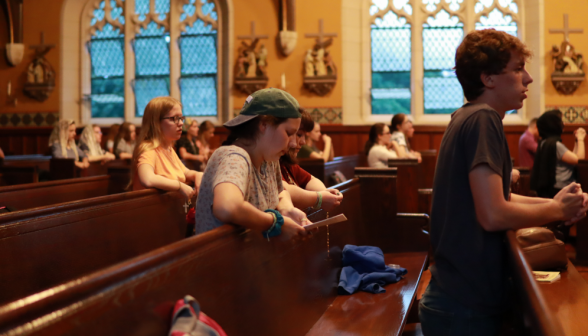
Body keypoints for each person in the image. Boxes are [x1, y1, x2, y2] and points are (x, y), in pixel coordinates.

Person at [419, 29, 588, 336]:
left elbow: (500, 197)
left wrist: (559, 203)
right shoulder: (483, 119)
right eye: (518, 69)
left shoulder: (469, 116)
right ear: (488, 78)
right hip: (464, 303)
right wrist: (556, 210)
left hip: (457, 295)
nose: (529, 78)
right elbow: (494, 213)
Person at [195, 88, 310, 241]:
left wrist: (287, 209)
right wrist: (275, 223)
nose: (294, 143)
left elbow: (279, 192)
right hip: (220, 260)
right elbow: (227, 207)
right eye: (289, 133)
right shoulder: (234, 157)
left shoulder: (270, 159)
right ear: (264, 124)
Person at [132, 97, 203, 200]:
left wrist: (198, 175)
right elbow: (147, 179)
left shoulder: (169, 148)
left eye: (180, 118)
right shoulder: (149, 150)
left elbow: (185, 172)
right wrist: (179, 186)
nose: (181, 123)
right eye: (174, 118)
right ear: (156, 122)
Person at [280, 109, 344, 211]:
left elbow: (309, 179)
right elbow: (284, 189)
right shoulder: (269, 162)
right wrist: (320, 198)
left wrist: (325, 192)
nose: (303, 142)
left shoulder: (287, 163)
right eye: (299, 135)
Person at [530, 111, 586, 198]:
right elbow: (579, 160)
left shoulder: (544, 142)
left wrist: (576, 141)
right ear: (553, 125)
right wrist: (581, 139)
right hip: (561, 189)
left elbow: (572, 159)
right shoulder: (555, 145)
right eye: (560, 121)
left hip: (551, 189)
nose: (563, 123)